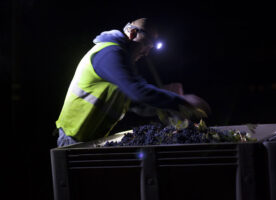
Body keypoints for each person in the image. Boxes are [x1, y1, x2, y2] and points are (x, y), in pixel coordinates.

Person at [55, 18, 211, 147]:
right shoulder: (109, 53)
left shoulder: (120, 61)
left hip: (91, 141)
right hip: (73, 139)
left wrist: (168, 102)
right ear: (132, 33)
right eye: (146, 45)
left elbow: (136, 104)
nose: (146, 53)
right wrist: (181, 101)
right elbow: (137, 91)